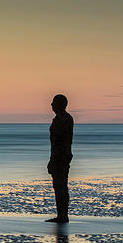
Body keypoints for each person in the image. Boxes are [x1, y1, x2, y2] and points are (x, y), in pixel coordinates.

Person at [46, 94, 73, 223]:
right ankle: (61, 214)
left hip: (61, 157)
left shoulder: (63, 119)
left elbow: (60, 142)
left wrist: (54, 160)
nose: (51, 105)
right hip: (61, 156)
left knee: (60, 186)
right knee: (59, 187)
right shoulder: (62, 119)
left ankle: (63, 215)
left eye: (53, 102)